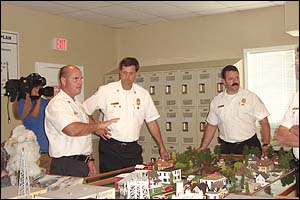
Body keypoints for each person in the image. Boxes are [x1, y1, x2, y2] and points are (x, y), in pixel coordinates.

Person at [83, 57, 170, 173]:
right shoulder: (106, 91)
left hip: (132, 149)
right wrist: (96, 128)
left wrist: (162, 146)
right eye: (124, 73)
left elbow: (152, 121)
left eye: (130, 73)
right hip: (110, 147)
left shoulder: (143, 95)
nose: (127, 77)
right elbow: (84, 110)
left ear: (136, 74)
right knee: (110, 182)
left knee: (135, 181)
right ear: (120, 72)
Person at [45, 65, 118, 177]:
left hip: (81, 163)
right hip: (66, 165)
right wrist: (99, 125)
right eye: (75, 79)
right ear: (63, 81)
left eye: (81, 78)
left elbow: (84, 135)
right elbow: (72, 130)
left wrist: (90, 159)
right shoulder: (57, 104)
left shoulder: (77, 104)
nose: (80, 82)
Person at [198, 65, 271, 156]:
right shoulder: (217, 101)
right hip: (226, 147)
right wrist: (203, 147)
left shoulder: (251, 97)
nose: (235, 81)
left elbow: (264, 122)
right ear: (223, 81)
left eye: (237, 78)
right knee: (225, 170)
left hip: (249, 145)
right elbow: (212, 126)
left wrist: (266, 144)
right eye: (231, 79)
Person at [12, 73, 53, 173]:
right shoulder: (24, 102)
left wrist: (53, 99)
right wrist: (38, 100)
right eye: (36, 88)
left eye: (40, 87)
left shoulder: (45, 102)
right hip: (33, 152)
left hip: (49, 152)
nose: (39, 90)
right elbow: (31, 120)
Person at [275, 46, 299, 197]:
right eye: (296, 59)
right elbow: (281, 135)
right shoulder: (297, 95)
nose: (296, 63)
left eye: (299, 59)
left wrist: (295, 128)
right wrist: (294, 128)